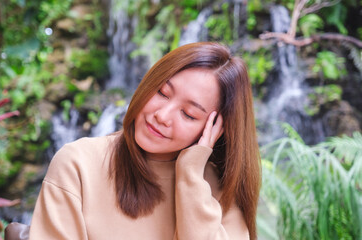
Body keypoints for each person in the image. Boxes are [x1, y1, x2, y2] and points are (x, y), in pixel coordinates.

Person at [28, 42, 261, 240]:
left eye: (188, 114)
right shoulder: (78, 164)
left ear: (216, 129)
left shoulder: (220, 190)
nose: (162, 115)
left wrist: (190, 175)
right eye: (161, 92)